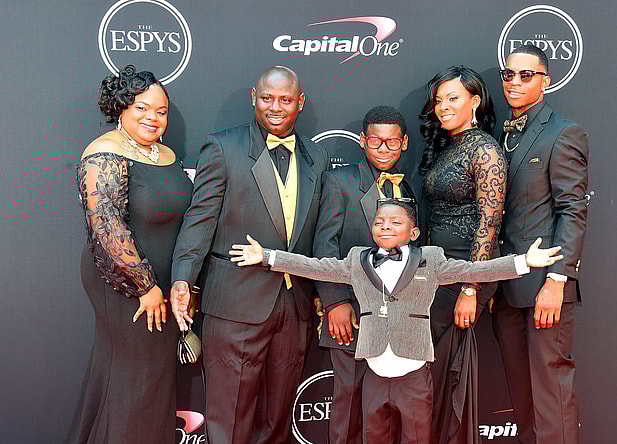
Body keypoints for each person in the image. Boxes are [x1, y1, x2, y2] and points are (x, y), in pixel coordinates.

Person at [228, 199, 563, 444]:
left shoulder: (430, 260)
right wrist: (268, 257)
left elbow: (473, 271)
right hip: (374, 372)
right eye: (380, 222)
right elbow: (316, 266)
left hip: (414, 375)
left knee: (417, 438)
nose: (385, 226)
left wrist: (522, 262)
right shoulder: (357, 260)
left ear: (413, 231)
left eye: (394, 222)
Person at [168, 66, 329, 444]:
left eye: (285, 100)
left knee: (277, 421)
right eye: (267, 98)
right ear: (253, 99)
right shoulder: (223, 148)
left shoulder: (317, 157)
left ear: (300, 103)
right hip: (235, 306)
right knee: (230, 422)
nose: (276, 107)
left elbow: (321, 236)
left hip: (294, 307)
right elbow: (199, 221)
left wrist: (327, 294)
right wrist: (182, 279)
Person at [67, 65, 193, 443]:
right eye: (141, 108)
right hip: (125, 287)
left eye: (161, 111)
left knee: (144, 378)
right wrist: (145, 287)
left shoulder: (165, 154)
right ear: (120, 108)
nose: (152, 118)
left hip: (164, 285)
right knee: (137, 378)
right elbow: (106, 229)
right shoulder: (104, 153)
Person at [491, 44, 589, 444]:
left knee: (552, 394)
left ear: (545, 80)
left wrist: (557, 280)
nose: (514, 82)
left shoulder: (564, 133)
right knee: (522, 399)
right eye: (508, 74)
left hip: (545, 290)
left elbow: (573, 211)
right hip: (506, 290)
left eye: (525, 75)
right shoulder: (498, 135)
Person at [312, 105, 417, 444]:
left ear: (403, 144)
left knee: (385, 410)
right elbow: (324, 244)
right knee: (349, 402)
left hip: (398, 321)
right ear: (362, 141)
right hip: (353, 314)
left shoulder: (411, 189)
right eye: (375, 141)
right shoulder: (340, 180)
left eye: (391, 142)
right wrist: (334, 302)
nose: (383, 149)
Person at [419, 65, 506, 443]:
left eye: (452, 98)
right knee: (430, 373)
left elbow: (489, 222)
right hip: (436, 273)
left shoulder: (485, 150)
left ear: (474, 101)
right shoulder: (450, 145)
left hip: (462, 275)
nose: (442, 107)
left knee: (444, 374)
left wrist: (471, 287)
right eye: (438, 100)